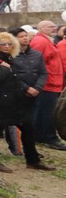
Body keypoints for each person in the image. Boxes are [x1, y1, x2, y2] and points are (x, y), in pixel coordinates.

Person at [9, 26, 54, 170]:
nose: (25, 38)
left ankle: (32, 159)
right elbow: (11, 75)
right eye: (21, 36)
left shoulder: (36, 54)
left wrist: (37, 88)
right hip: (16, 96)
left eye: (26, 35)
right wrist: (26, 88)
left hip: (34, 95)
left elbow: (43, 73)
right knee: (14, 125)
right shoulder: (10, 56)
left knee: (29, 126)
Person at [29, 20, 66, 150]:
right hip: (47, 83)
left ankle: (40, 136)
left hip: (51, 82)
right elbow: (35, 62)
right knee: (48, 112)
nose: (54, 28)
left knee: (43, 111)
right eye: (50, 27)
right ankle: (50, 138)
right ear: (41, 28)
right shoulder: (41, 41)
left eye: (54, 26)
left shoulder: (46, 40)